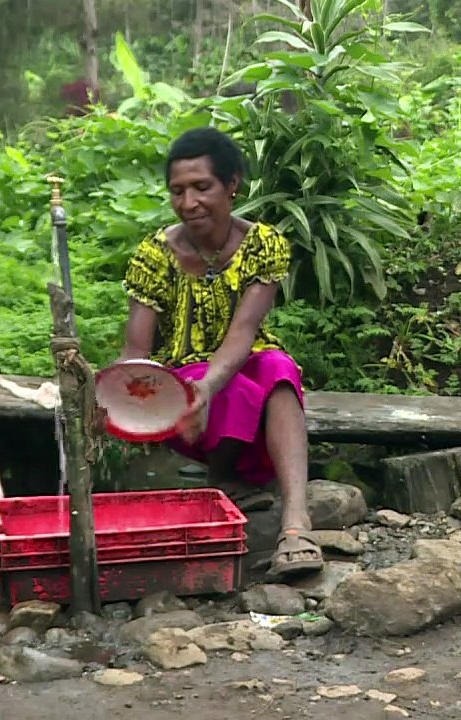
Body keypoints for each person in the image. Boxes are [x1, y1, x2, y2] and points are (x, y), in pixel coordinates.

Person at [115, 126, 325, 578]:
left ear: (232, 185)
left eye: (201, 187)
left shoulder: (262, 245)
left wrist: (209, 385)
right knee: (216, 386)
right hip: (182, 387)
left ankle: (296, 522)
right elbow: (136, 350)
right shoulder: (155, 254)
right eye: (178, 191)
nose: (189, 202)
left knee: (278, 368)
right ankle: (223, 479)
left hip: (236, 368)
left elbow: (244, 332)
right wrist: (109, 396)